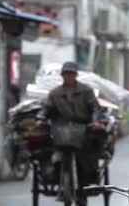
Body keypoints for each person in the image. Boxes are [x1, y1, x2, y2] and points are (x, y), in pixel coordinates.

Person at [37, 62, 102, 204]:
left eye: (71, 74)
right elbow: (46, 108)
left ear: (76, 75)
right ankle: (58, 177)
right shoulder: (55, 93)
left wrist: (95, 121)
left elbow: (95, 108)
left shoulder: (86, 91)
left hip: (82, 127)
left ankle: (83, 191)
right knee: (53, 154)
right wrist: (41, 118)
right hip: (61, 128)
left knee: (84, 159)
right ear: (62, 76)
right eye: (66, 74)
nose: (69, 76)